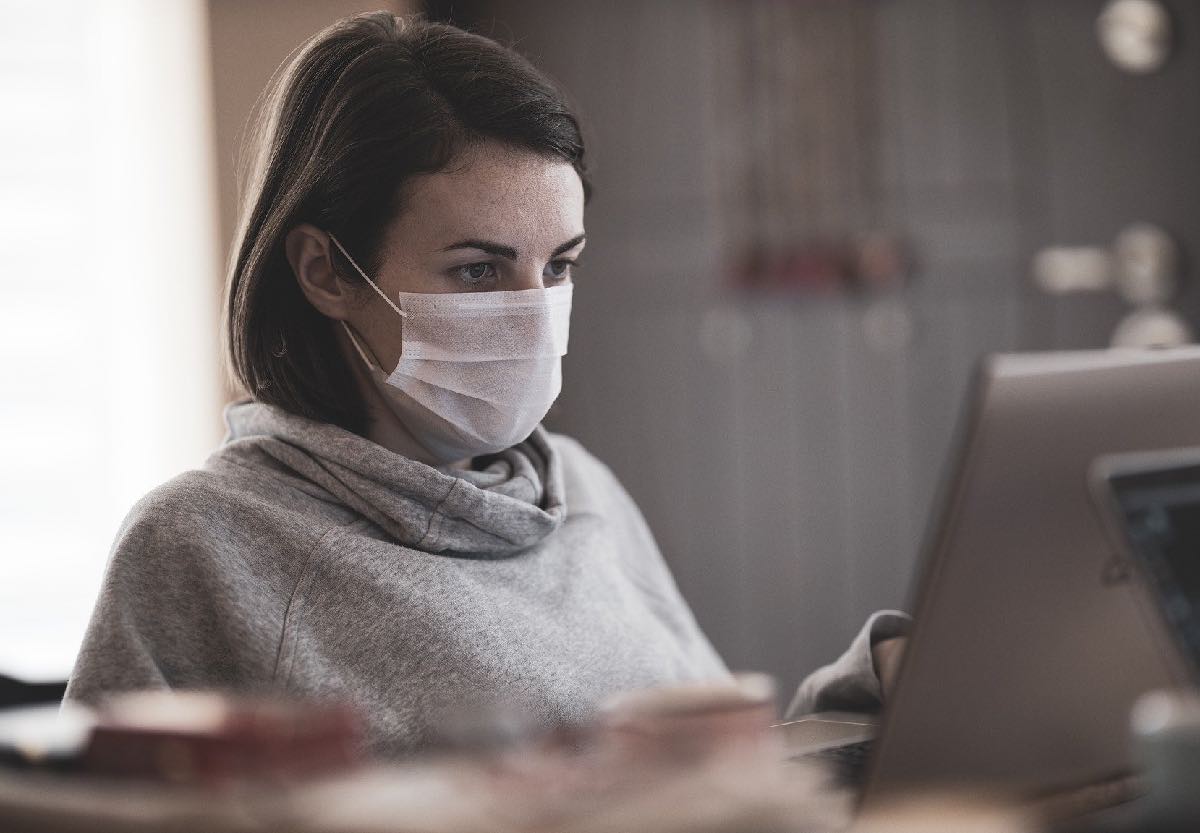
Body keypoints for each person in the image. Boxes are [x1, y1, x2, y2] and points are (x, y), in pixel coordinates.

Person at [65, 11, 907, 755]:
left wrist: (875, 688)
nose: (534, 314)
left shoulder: (583, 490)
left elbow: (720, 779)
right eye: (477, 271)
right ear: (325, 270)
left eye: (560, 265)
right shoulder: (203, 546)